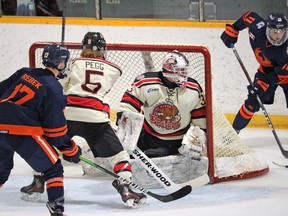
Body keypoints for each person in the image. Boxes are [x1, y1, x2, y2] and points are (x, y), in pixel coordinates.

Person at [20, 32, 148, 208]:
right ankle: (126, 186)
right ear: (103, 48)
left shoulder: (72, 63)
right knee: (119, 156)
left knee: (47, 148)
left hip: (68, 113)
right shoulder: (115, 69)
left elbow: (59, 86)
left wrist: (63, 70)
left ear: (83, 47)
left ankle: (38, 183)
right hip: (95, 116)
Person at [0, 43, 82, 216]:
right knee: (53, 168)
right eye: (64, 61)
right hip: (23, 131)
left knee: (1, 169)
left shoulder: (25, 72)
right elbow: (56, 131)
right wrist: (70, 149)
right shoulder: (54, 89)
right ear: (60, 63)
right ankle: (57, 209)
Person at [117, 50, 207, 160]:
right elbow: (127, 106)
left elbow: (200, 117)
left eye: (184, 70)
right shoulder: (145, 82)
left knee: (157, 155)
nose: (184, 74)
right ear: (169, 69)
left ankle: (167, 153)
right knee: (124, 152)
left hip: (179, 141)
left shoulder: (193, 88)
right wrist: (125, 127)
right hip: (149, 136)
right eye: (180, 70)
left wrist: (201, 134)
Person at [220, 11, 288, 133]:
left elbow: (280, 74)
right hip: (266, 70)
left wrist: (262, 85)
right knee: (253, 101)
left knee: (259, 91)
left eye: (281, 32)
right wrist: (234, 29)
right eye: (274, 32)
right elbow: (247, 16)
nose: (278, 36)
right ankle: (232, 134)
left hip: (285, 76)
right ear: (267, 28)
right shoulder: (258, 27)